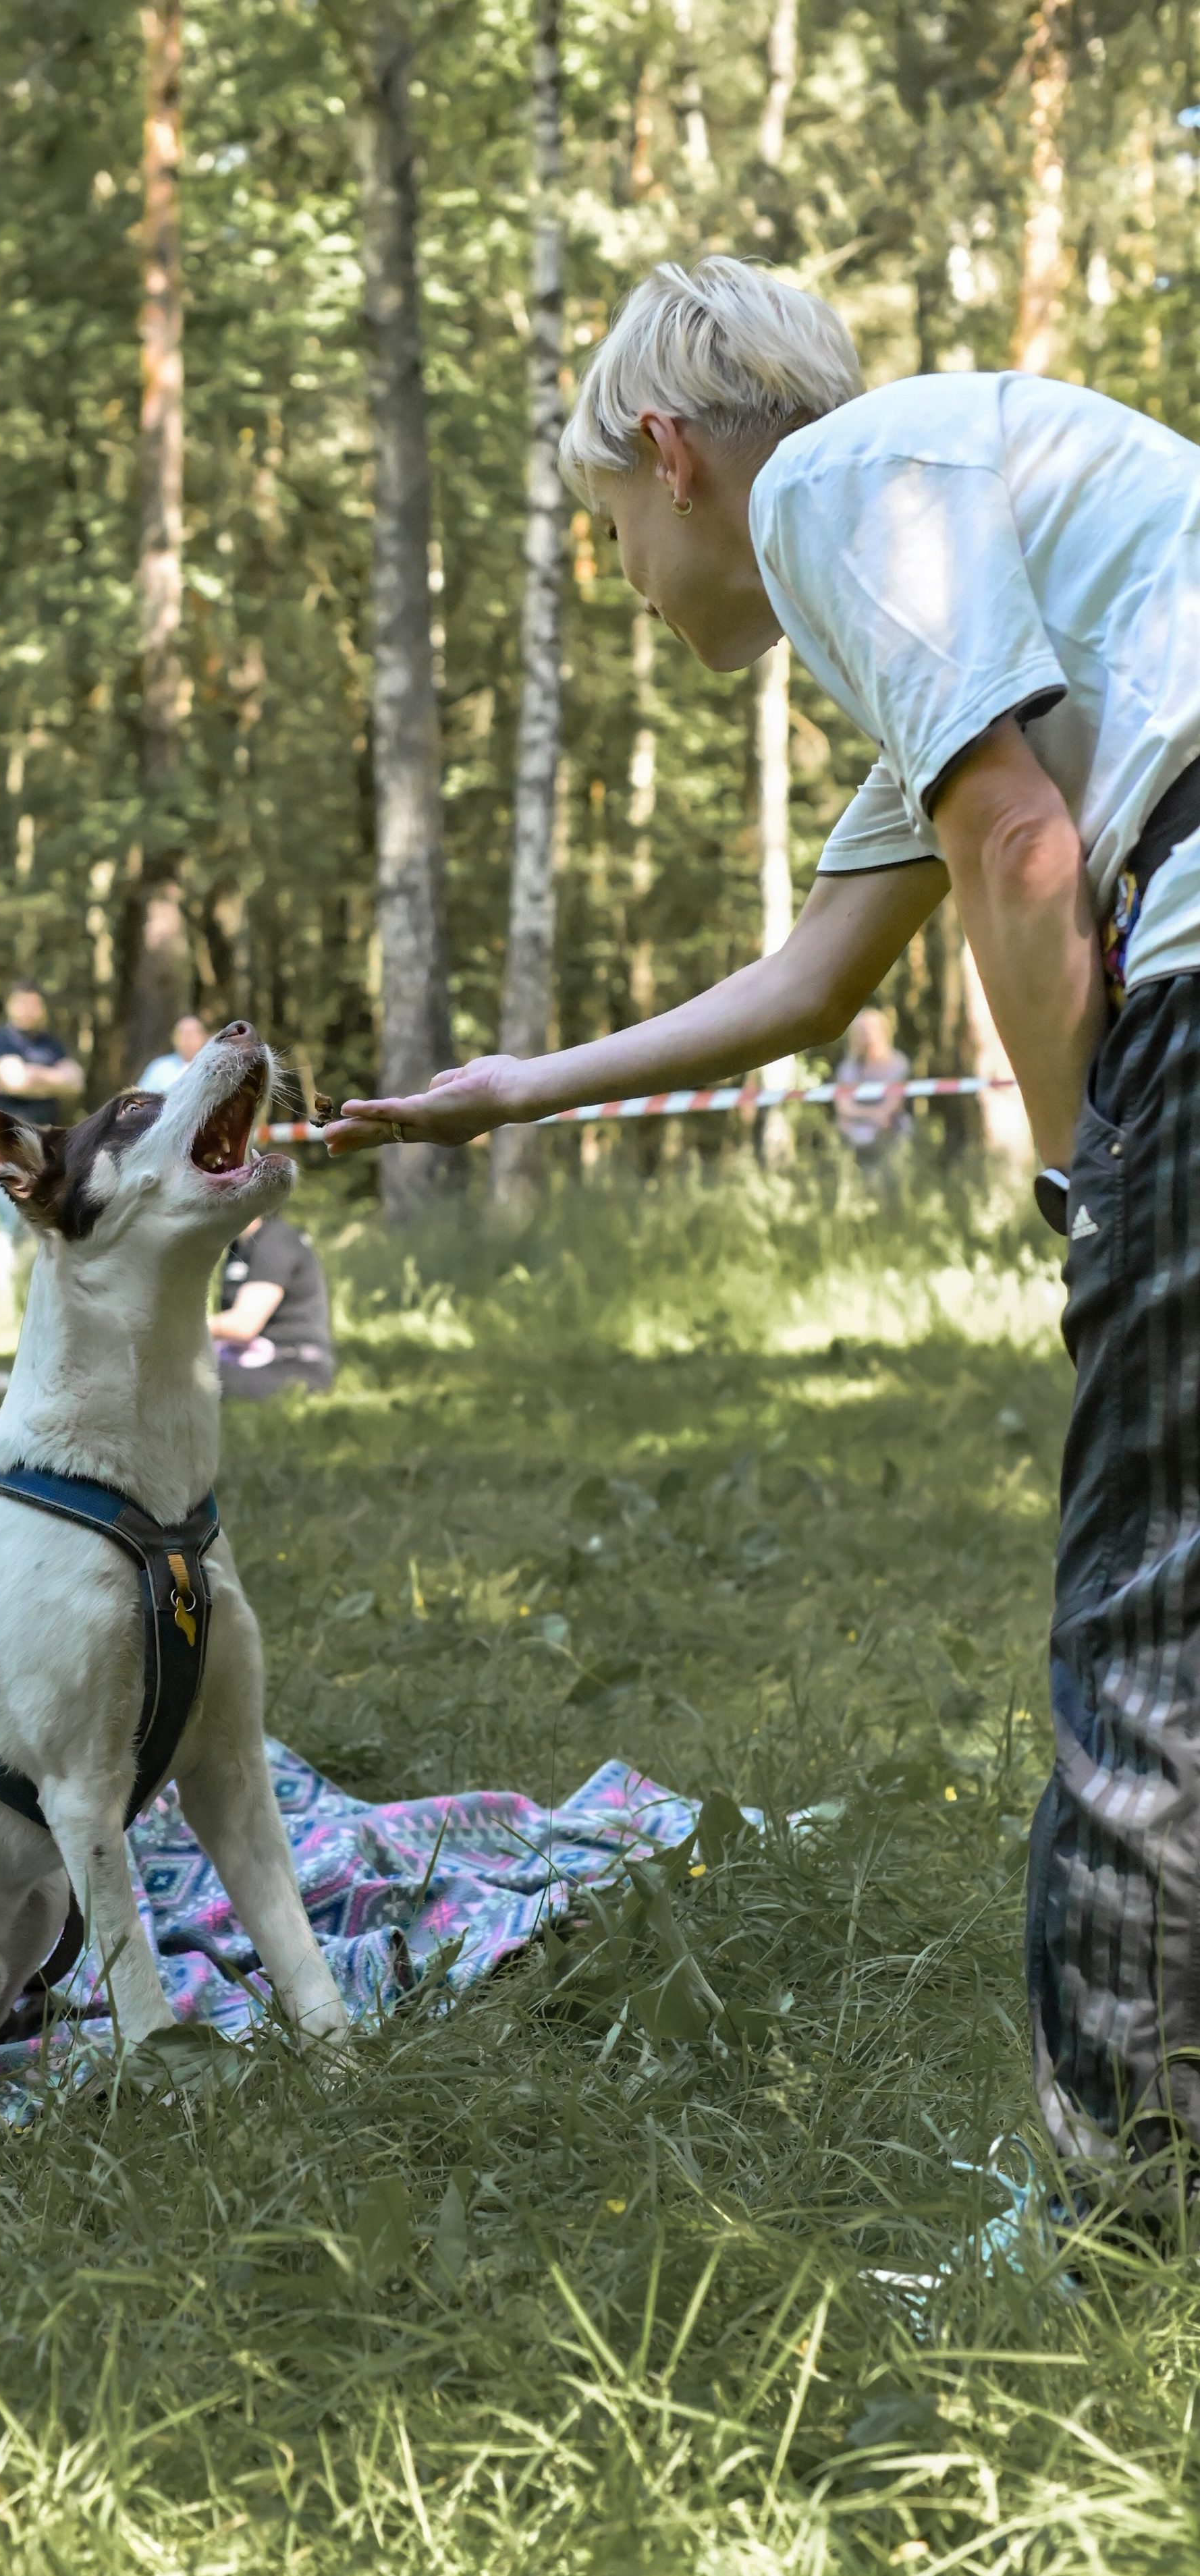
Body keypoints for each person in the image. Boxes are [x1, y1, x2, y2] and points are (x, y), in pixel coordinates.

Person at [328, 254, 1200, 2197]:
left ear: (672, 457)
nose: (623, 575)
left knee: (1147, 1625)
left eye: (607, 530)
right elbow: (817, 981)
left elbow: (1026, 850)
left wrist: (1085, 1186)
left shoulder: (839, 493)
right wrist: (509, 1091)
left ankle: (1126, 2218)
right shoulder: (945, 537)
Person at [0, 982, 84, 1281]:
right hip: (5, 1141)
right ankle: (5, 1288)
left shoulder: (52, 1043)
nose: (28, 1009)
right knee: (12, 1216)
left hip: (47, 1142)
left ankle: (38, 1283)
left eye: (34, 1003)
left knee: (50, 1214)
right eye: (22, 1003)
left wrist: (31, 1077)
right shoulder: (1, 1040)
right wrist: (52, 1079)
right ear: (11, 1006)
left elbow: (75, 1083)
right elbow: (13, 1080)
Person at [208, 1211, 335, 1401]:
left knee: (186, 1377)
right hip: (253, 1359)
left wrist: (173, 1330)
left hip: (293, 1365)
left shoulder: (275, 1241)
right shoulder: (240, 1245)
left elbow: (243, 1325)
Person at [832, 1007, 911, 1171]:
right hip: (856, 1130)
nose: (866, 1034)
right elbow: (844, 1107)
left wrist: (873, 1117)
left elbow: (893, 1105)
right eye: (861, 1029)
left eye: (871, 1028)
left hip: (891, 1129)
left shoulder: (898, 1064)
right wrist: (874, 1116)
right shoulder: (847, 1069)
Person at [138, 1013, 209, 1095]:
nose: (187, 1038)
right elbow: (141, 1100)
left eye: (193, 1033)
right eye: (182, 1033)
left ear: (205, 1037)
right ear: (174, 1039)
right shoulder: (160, 1068)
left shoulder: (212, 1068)